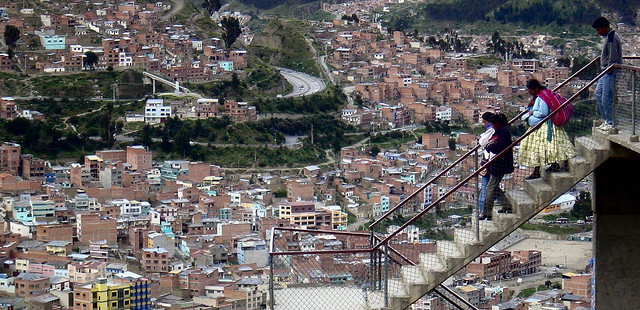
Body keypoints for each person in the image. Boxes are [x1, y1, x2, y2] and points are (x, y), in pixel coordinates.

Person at [518, 79, 577, 179]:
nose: (529, 92)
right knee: (546, 147)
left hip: (545, 125)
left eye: (530, 90)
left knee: (540, 146)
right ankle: (546, 167)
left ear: (536, 89)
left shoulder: (542, 97)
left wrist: (532, 113)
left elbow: (544, 112)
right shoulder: (543, 95)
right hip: (543, 124)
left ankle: (543, 168)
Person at [481, 113, 514, 220]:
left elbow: (499, 147)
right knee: (494, 187)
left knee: (490, 188)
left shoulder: (503, 133)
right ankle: (507, 206)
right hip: (498, 163)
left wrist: (491, 145)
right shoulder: (501, 131)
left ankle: (487, 213)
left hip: (500, 164)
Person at [593, 16, 623, 130]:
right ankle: (607, 119)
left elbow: (613, 56)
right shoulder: (608, 36)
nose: (598, 32)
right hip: (605, 71)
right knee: (598, 94)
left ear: (605, 27)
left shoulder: (611, 37)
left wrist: (609, 68)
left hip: (610, 71)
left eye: (599, 29)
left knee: (606, 97)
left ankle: (611, 122)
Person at [477, 112, 494, 217]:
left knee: (485, 187)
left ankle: (482, 210)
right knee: (490, 186)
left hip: (488, 162)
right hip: (489, 161)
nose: (483, 123)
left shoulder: (491, 131)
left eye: (484, 121)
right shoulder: (494, 130)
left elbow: (482, 142)